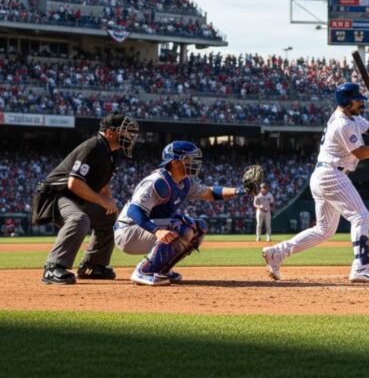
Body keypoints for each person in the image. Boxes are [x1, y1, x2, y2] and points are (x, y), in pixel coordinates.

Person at [262, 82, 369, 283]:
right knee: (361, 216)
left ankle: (277, 253)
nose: (361, 103)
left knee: (324, 230)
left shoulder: (351, 116)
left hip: (324, 174)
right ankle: (361, 268)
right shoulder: (343, 124)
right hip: (332, 175)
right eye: (357, 100)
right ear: (347, 102)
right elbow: (361, 153)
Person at [113, 141, 251, 286]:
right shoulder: (157, 181)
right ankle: (144, 271)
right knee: (181, 227)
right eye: (188, 159)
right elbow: (133, 211)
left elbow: (210, 193)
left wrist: (240, 190)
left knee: (199, 228)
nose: (194, 162)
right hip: (127, 231)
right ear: (174, 162)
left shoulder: (185, 182)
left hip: (145, 229)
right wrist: (157, 231)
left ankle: (162, 268)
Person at [39, 112, 139, 284]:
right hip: (56, 195)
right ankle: (52, 267)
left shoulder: (111, 152)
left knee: (109, 216)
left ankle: (92, 265)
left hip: (74, 197)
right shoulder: (93, 147)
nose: (129, 135)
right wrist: (102, 201)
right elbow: (74, 183)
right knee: (79, 219)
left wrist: (109, 202)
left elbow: (102, 184)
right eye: (124, 131)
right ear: (110, 132)